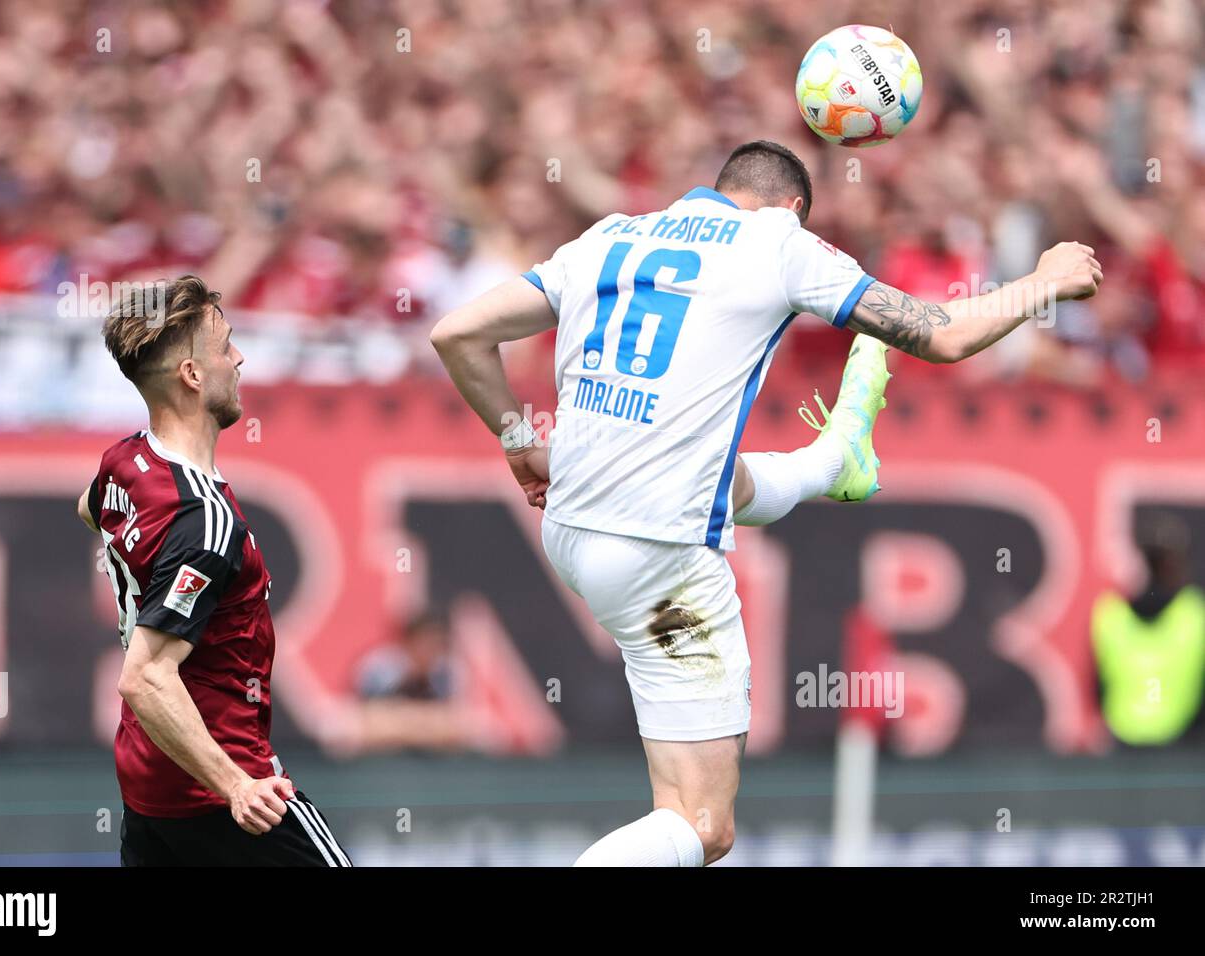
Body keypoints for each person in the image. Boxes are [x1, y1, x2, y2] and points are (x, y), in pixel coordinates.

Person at [431, 140, 1102, 867]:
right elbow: (942, 336)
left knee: (710, 477)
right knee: (703, 824)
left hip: (569, 525)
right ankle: (830, 459)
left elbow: (457, 333)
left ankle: (828, 459)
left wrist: (517, 436)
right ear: (792, 207)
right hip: (660, 558)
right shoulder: (781, 243)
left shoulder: (610, 234)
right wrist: (1044, 280)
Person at [76, 276, 351, 866]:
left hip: (149, 786)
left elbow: (91, 509)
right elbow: (145, 677)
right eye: (226, 346)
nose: (240, 358)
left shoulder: (126, 460)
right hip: (222, 783)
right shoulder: (205, 523)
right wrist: (237, 787)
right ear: (193, 376)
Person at [1092, 514, 1205, 746]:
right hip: (1185, 753)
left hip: (1124, 746)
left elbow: (1098, 690)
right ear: (1174, 562)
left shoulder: (1110, 615)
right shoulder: (1195, 613)